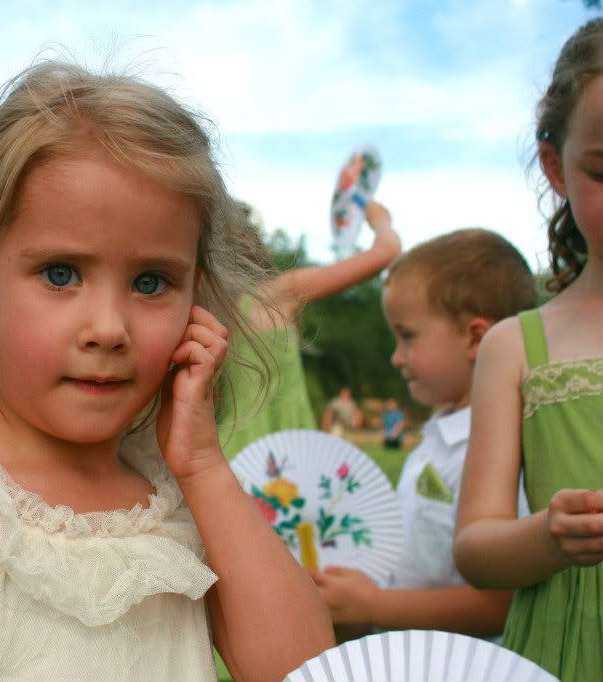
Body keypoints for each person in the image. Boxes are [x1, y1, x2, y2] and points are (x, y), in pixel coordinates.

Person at [0, 60, 333, 682]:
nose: (109, 328)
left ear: (195, 300)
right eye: (61, 274)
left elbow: (306, 669)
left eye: (151, 282)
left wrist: (203, 468)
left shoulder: (185, 507)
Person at [454, 19, 603, 682]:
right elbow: (476, 548)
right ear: (555, 168)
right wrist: (547, 537)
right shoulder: (515, 345)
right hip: (564, 646)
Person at [312, 228, 538, 641]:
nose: (397, 357)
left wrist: (377, 605)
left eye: (408, 337)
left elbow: (500, 604)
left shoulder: (505, 455)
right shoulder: (437, 439)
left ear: (477, 338)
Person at [218, 201, 400, 460]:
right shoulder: (279, 294)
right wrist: (381, 220)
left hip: (229, 449)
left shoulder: (202, 305)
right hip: (288, 444)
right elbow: (386, 253)